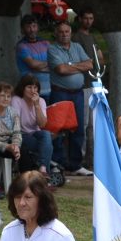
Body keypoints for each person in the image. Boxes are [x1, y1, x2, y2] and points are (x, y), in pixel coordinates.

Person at [47, 21, 93, 176]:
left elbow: (90, 65)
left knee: (78, 128)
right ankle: (57, 163)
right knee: (58, 128)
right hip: (61, 92)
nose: (64, 34)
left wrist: (70, 65)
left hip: (77, 93)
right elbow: (60, 69)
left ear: (71, 32)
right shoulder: (52, 49)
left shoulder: (77, 47)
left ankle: (75, 165)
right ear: (56, 33)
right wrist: (77, 66)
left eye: (67, 31)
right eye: (61, 32)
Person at [10, 75, 53, 175]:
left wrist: (37, 105)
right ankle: (44, 173)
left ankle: (42, 168)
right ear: (23, 88)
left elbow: (42, 124)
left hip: (35, 133)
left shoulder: (41, 101)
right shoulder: (16, 100)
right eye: (29, 87)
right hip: (20, 134)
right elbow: (16, 124)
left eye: (35, 87)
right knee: (47, 146)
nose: (33, 90)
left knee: (46, 134)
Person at [15, 15, 50, 98]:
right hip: (31, 92)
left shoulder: (46, 43)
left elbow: (55, 63)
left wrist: (38, 67)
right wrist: (48, 64)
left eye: (34, 26)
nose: (32, 30)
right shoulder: (21, 46)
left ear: (37, 27)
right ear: (22, 29)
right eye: (28, 27)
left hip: (49, 89)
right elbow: (33, 64)